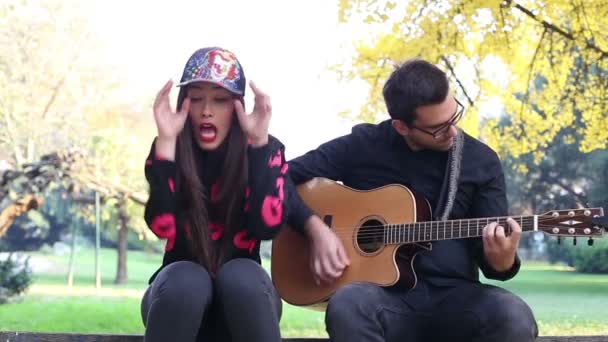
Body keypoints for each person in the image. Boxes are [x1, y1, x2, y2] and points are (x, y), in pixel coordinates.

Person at [287, 59, 538, 342]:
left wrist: (502, 261)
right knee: (348, 304)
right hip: (381, 299)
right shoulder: (364, 145)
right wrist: (314, 228)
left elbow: (494, 263)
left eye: (454, 117)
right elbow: (279, 177)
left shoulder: (481, 161)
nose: (452, 132)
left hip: (456, 300)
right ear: (402, 127)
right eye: (438, 128)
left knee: (513, 315)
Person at [141, 47, 288, 342]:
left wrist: (259, 144)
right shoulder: (168, 151)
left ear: (237, 108)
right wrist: (167, 142)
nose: (207, 110)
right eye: (196, 99)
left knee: (240, 276)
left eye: (220, 100)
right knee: (187, 279)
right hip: (176, 299)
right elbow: (162, 226)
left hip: (247, 303)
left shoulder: (267, 151)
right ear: (184, 104)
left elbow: (266, 227)